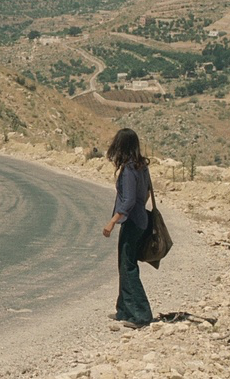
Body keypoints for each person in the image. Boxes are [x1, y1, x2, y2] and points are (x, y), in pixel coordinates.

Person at [102, 128, 154, 328]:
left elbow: (129, 200)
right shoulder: (143, 166)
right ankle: (124, 310)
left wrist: (113, 221)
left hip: (132, 221)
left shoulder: (129, 169)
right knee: (125, 263)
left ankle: (140, 315)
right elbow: (146, 193)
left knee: (128, 266)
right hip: (141, 219)